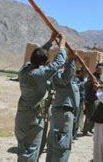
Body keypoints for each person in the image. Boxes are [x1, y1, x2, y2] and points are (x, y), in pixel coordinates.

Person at [14, 33, 66, 161]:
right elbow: (57, 63)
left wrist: (50, 41)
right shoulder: (38, 74)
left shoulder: (24, 70)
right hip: (33, 119)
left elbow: (37, 57)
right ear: (42, 63)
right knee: (31, 151)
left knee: (23, 149)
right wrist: (62, 47)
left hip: (22, 117)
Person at [46, 46, 80, 162]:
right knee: (61, 146)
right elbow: (66, 78)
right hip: (62, 113)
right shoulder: (58, 75)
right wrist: (70, 60)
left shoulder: (71, 79)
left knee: (57, 144)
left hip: (65, 114)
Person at [82, 62, 103, 136]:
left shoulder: (101, 76)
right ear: (96, 69)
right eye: (99, 69)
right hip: (92, 98)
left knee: (95, 114)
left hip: (98, 98)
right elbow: (87, 87)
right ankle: (86, 130)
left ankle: (90, 129)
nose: (100, 70)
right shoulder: (92, 76)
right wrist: (86, 98)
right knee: (90, 115)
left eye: (101, 69)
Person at [73, 69, 87, 139]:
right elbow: (75, 89)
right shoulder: (76, 79)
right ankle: (72, 135)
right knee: (75, 118)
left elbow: (83, 93)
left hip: (81, 102)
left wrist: (84, 103)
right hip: (76, 101)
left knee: (78, 118)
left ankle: (74, 135)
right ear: (81, 72)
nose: (85, 75)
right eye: (84, 73)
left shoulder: (83, 80)